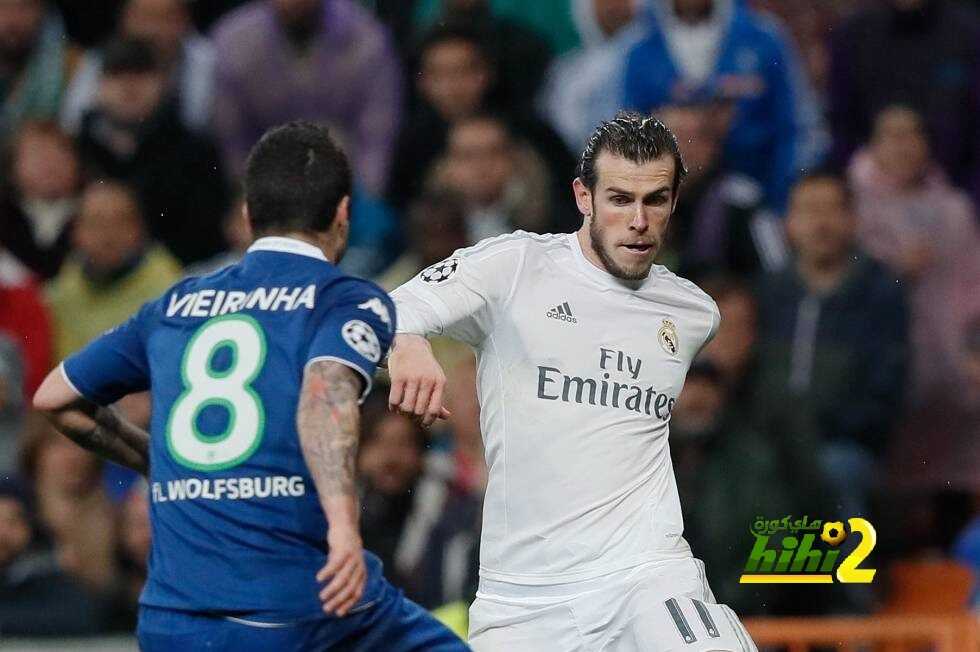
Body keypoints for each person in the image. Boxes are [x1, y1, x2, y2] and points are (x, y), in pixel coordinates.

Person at [32, 121, 467, 651]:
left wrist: (154, 460)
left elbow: (56, 398)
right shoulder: (344, 297)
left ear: (247, 216)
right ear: (343, 215)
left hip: (171, 620)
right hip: (297, 606)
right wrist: (342, 527)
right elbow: (326, 388)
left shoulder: (173, 305)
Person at [388, 112, 756, 650]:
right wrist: (407, 343)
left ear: (675, 201)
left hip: (646, 576)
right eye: (619, 199)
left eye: (655, 200)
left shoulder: (693, 312)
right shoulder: (514, 267)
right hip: (522, 599)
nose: (638, 220)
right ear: (583, 196)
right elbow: (380, 311)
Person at [212, 0, 402, 193]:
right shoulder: (233, 41)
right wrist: (248, 195)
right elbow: (233, 144)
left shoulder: (369, 40)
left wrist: (360, 198)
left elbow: (376, 140)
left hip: (347, 183)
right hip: (263, 183)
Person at [46, 180, 182, 361]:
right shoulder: (55, 299)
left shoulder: (171, 295)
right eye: (96, 223)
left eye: (120, 222)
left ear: (139, 229)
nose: (108, 235)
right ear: (76, 232)